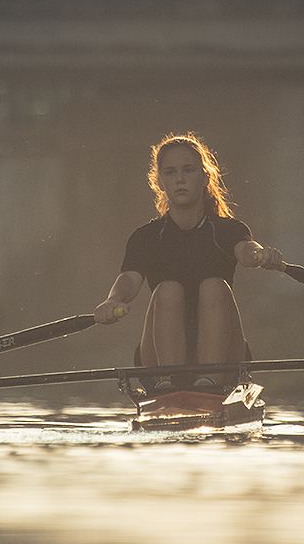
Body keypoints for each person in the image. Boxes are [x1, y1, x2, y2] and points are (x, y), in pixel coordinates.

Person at [94, 132, 284, 392]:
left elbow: (246, 250)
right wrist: (113, 300)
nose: (180, 179)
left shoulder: (227, 230)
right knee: (167, 290)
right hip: (159, 356)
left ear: (205, 178)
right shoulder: (146, 237)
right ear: (160, 182)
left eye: (189, 170)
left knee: (214, 286)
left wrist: (261, 255)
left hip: (224, 353)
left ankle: (210, 383)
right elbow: (129, 278)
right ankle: (169, 383)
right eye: (170, 172)